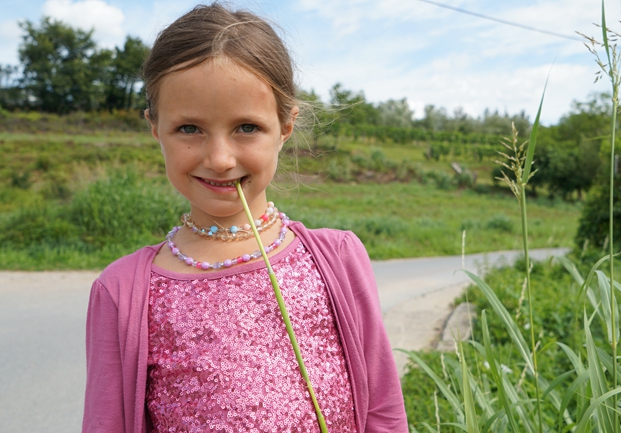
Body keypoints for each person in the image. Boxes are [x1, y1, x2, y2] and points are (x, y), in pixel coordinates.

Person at [82, 2, 408, 432]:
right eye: (189, 129)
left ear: (286, 126)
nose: (219, 159)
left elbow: (384, 412)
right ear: (154, 128)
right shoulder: (121, 292)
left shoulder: (339, 259)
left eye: (247, 128)